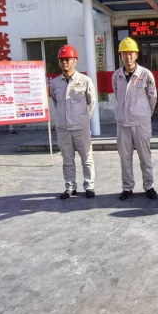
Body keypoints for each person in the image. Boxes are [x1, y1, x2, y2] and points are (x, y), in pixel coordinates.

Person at [112, 37, 158, 201]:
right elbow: (118, 96)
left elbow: (152, 97)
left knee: (145, 157)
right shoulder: (116, 75)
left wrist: (144, 114)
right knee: (125, 158)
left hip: (141, 123)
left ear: (137, 54)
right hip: (123, 124)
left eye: (131, 53)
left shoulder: (145, 74)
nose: (128, 57)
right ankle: (127, 187)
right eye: (124, 53)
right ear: (120, 55)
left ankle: (149, 186)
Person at [49, 45, 97, 199]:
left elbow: (91, 102)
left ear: (75, 61)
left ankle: (89, 186)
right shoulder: (55, 83)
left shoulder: (85, 80)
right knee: (67, 159)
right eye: (61, 60)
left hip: (81, 127)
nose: (64, 62)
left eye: (67, 59)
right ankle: (70, 187)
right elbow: (56, 102)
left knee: (86, 158)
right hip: (63, 128)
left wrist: (82, 118)